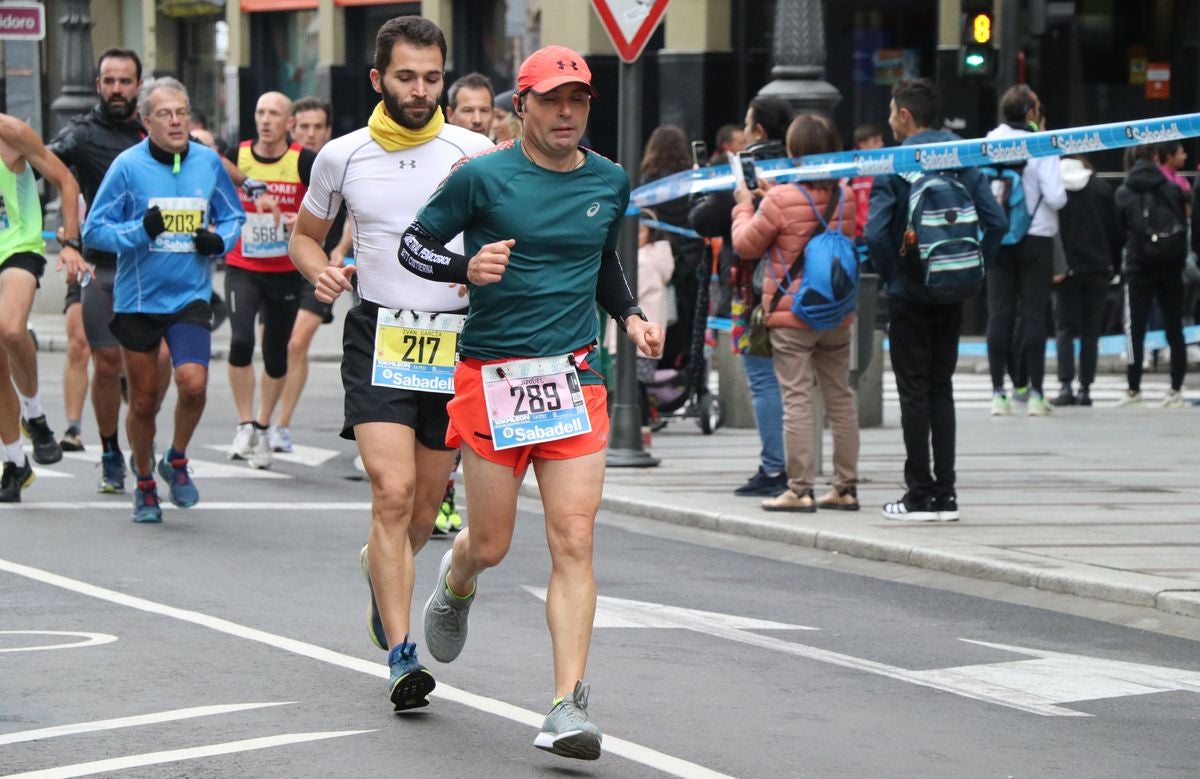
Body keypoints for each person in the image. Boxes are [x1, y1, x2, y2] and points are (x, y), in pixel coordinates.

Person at [399, 44, 662, 760]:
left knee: (574, 537)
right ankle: (457, 581)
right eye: (552, 99)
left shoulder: (609, 180)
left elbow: (601, 259)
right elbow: (413, 245)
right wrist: (466, 265)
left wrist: (633, 315)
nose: (568, 111)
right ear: (524, 107)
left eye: (578, 99)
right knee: (491, 541)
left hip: (576, 378)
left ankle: (567, 704)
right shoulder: (482, 178)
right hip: (493, 379)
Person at [288, 16, 492, 712]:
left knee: (426, 504)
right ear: (378, 79)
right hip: (379, 333)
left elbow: (506, 231)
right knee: (393, 490)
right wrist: (319, 270)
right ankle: (402, 656)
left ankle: (384, 569)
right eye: (407, 76)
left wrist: (485, 267)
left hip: (454, 341)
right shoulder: (341, 156)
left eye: (432, 77)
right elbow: (304, 237)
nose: (421, 89)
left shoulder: (475, 149)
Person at [83, 77, 244, 522]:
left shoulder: (208, 162)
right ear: (146, 120)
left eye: (182, 112)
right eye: (166, 114)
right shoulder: (128, 166)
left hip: (190, 296)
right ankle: (144, 482)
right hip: (138, 299)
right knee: (143, 401)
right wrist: (140, 232)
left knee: (193, 385)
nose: (176, 121)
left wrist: (218, 241)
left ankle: (176, 458)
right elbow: (94, 230)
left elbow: (234, 217)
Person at [865, 78, 1006, 522]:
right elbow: (996, 221)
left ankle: (918, 493)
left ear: (905, 115)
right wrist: (972, 265)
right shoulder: (964, 157)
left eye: (892, 112)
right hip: (952, 291)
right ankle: (946, 494)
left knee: (914, 391)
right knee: (941, 389)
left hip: (909, 294)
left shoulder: (896, 163)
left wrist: (898, 275)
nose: (890, 120)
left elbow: (874, 232)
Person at [731, 114, 860, 512]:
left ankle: (800, 488)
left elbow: (745, 246)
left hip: (792, 314)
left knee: (797, 399)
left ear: (794, 152)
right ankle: (845, 486)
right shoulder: (846, 195)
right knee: (840, 397)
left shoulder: (781, 198)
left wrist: (743, 206)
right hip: (836, 312)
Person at [47, 48, 149, 493]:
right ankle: (110, 450)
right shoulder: (82, 133)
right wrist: (66, 241)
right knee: (105, 362)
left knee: (154, 367)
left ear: (138, 85)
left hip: (153, 266)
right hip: (102, 264)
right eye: (109, 81)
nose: (117, 89)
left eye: (125, 81)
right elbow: (43, 165)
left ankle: (144, 443)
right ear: (98, 86)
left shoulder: (156, 129)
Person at [689, 96, 793, 498]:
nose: (745, 133)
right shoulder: (808, 162)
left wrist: (705, 192)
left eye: (749, 125)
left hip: (754, 289)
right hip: (805, 287)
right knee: (805, 385)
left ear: (760, 131)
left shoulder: (746, 168)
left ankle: (774, 469)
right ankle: (818, 475)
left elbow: (705, 219)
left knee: (764, 380)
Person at [223, 91, 317, 469]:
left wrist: (302, 222)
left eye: (274, 114)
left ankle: (263, 425)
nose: (265, 120)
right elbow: (209, 163)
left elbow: (328, 202)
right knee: (241, 340)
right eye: (260, 112)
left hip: (284, 271)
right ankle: (244, 423)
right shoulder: (237, 154)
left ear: (289, 123)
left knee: (277, 355)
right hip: (242, 264)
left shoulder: (302, 160)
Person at [0, 115, 88, 502]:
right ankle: (15, 463)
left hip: (17, 247)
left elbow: (66, 182)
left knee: (10, 329)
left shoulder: (12, 133)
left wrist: (70, 242)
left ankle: (33, 414)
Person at [984, 85, 1067, 417]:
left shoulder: (990, 140)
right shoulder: (1042, 144)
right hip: (1037, 237)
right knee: (1034, 315)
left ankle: (997, 394)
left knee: (999, 315)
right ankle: (1035, 393)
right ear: (1031, 113)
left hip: (999, 236)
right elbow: (1057, 197)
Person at [270, 96, 342, 454]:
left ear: (327, 130)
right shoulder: (289, 162)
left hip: (326, 268)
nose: (311, 134)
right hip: (281, 266)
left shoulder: (340, 162)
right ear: (293, 128)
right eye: (305, 127)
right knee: (277, 345)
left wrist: (340, 252)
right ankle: (262, 421)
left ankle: (281, 424)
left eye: (318, 127)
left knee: (298, 342)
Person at [1114, 144, 1189, 407]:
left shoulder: (1124, 191)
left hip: (1138, 265)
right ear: (1156, 158)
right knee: (1174, 328)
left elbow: (1118, 232)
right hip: (1170, 264)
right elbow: (1183, 223)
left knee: (1135, 329)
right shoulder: (1172, 189)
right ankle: (1176, 388)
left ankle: (1134, 388)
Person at [1050, 156, 1121, 407]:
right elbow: (1115, 229)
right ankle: (1086, 388)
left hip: (1065, 269)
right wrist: (1115, 264)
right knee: (1091, 331)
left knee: (1065, 329)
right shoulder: (1101, 187)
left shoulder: (1054, 188)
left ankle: (1065, 385)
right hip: (1098, 267)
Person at [60, 270, 90, 451]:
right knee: (77, 344)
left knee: (122, 356)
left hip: (136, 263)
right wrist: (68, 247)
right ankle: (73, 428)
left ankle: (144, 428)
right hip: (86, 264)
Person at [850, 123, 885, 242]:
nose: (881, 145)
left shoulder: (886, 168)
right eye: (875, 141)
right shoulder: (847, 171)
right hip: (856, 236)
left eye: (881, 140)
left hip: (878, 232)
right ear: (862, 146)